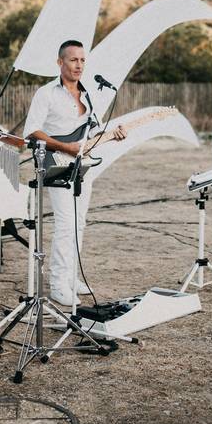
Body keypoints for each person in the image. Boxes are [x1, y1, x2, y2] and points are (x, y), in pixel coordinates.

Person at [23, 40, 126, 306]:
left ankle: (70, 278)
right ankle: (57, 284)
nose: (79, 65)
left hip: (83, 165)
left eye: (82, 60)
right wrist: (64, 146)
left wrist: (112, 135)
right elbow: (32, 131)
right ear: (60, 63)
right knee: (66, 224)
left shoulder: (87, 94)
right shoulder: (46, 93)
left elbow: (89, 132)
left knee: (79, 222)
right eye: (73, 60)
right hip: (55, 163)